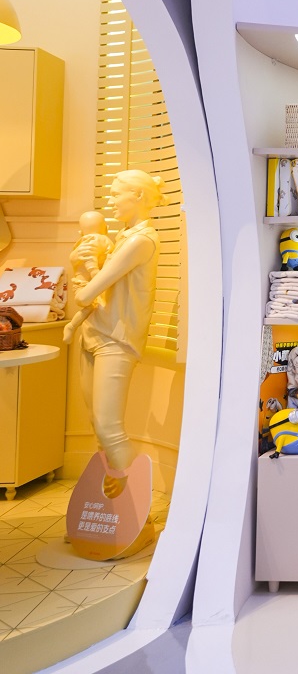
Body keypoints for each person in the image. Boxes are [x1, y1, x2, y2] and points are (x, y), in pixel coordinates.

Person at [72, 170, 165, 498]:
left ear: (138, 196)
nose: (110, 201)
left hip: (117, 339)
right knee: (98, 427)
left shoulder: (141, 241)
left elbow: (86, 294)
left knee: (108, 427)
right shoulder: (123, 236)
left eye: (115, 194)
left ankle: (131, 506)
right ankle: (111, 507)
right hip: (94, 332)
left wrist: (87, 271)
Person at [62, 211, 114, 345]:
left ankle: (72, 326)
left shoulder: (81, 243)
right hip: (88, 284)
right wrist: (95, 273)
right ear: (106, 228)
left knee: (90, 307)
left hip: (80, 282)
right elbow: (89, 257)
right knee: (88, 306)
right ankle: (72, 326)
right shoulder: (99, 240)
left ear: (80, 232)